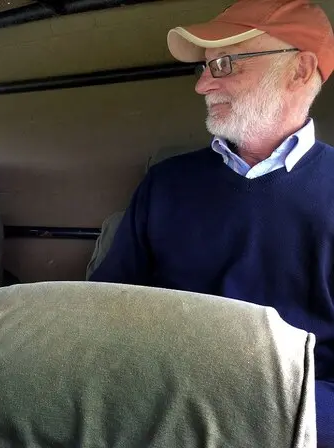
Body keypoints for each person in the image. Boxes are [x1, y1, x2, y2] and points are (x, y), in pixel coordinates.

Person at [88, 0, 334, 445]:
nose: (202, 85)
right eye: (203, 68)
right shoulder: (165, 184)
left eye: (224, 63)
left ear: (300, 70)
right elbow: (106, 314)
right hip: (152, 414)